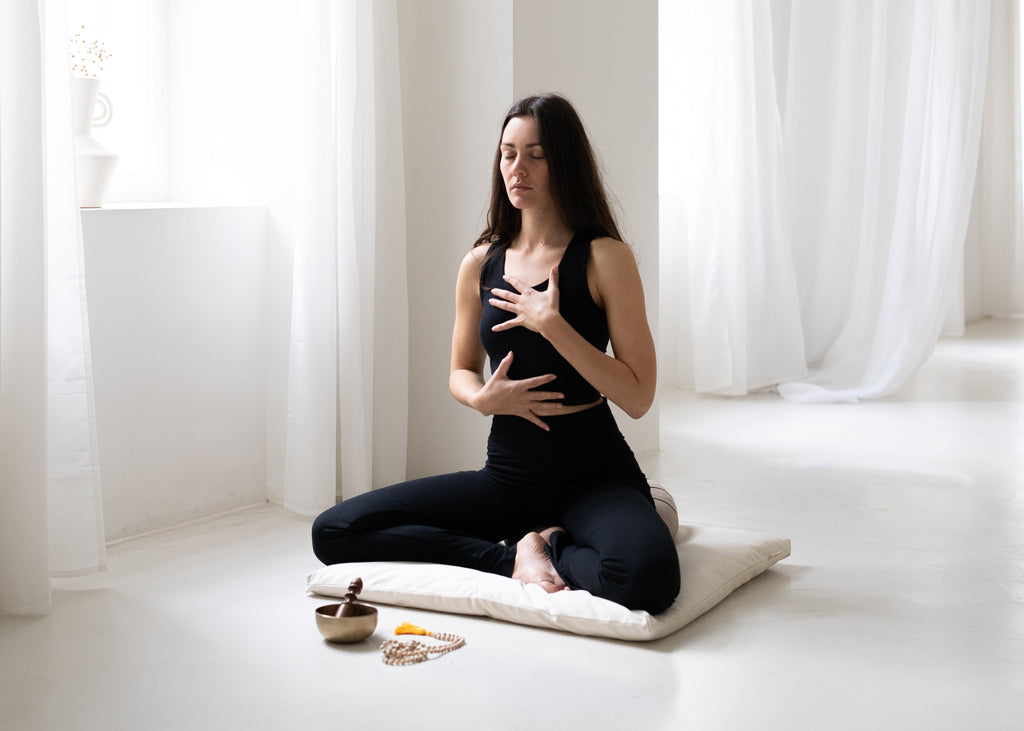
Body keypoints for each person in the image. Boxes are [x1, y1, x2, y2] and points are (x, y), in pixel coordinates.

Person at [311, 93, 680, 614]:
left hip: (595, 475)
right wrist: (483, 399)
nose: (517, 168)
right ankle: (512, 556)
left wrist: (552, 325)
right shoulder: (480, 263)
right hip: (508, 477)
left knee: (648, 579)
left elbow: (639, 396)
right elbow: (460, 370)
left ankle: (557, 539)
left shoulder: (604, 258)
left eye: (536, 154)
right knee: (336, 530)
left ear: (565, 162)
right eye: (508, 153)